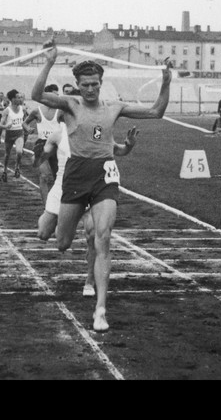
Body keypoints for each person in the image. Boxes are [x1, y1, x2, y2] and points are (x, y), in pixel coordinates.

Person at [31, 39, 171, 332]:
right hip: (75, 176)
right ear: (78, 85)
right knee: (61, 243)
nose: (91, 89)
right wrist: (49, 60)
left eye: (95, 83)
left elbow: (156, 111)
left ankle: (100, 310)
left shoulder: (114, 107)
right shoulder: (70, 104)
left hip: (105, 175)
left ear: (101, 83)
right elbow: (36, 94)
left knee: (103, 237)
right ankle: (69, 224)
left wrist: (166, 81)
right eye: (85, 84)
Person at [37, 123, 139, 297]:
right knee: (45, 234)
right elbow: (42, 156)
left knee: (93, 234)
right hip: (64, 185)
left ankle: (90, 281)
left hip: (93, 187)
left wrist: (128, 145)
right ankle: (63, 221)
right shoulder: (58, 134)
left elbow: (116, 150)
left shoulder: (97, 130)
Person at [24, 84, 62, 204]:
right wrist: (28, 129)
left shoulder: (61, 111)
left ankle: (58, 203)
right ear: (46, 96)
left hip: (57, 146)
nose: (57, 98)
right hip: (42, 145)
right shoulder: (37, 111)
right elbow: (25, 123)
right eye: (54, 95)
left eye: (58, 95)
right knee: (44, 175)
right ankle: (46, 205)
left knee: (58, 177)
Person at [0, 89, 28, 182]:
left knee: (19, 152)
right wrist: (6, 126)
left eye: (21, 97)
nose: (20, 99)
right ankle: (4, 171)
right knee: (7, 154)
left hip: (19, 133)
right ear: (12, 99)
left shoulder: (23, 108)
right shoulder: (7, 110)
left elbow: (26, 120)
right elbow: (0, 124)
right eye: (18, 97)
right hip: (10, 133)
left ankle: (17, 167)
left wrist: (27, 128)